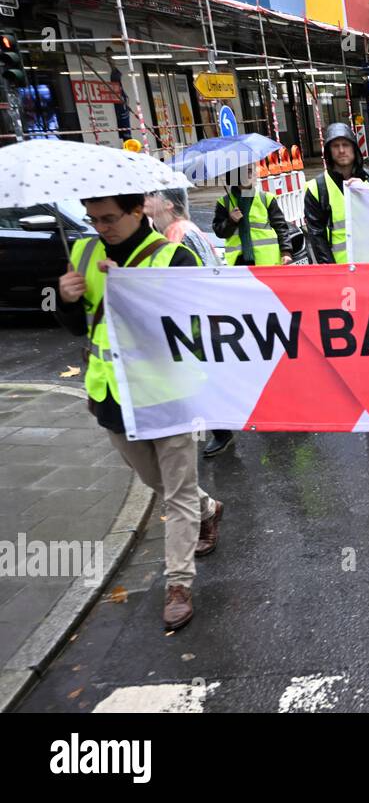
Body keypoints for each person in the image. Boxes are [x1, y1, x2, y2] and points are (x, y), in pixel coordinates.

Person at [55, 194, 221, 630]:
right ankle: (208, 510)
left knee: (178, 490)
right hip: (110, 396)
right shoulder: (84, 251)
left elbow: (197, 326)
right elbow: (79, 325)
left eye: (110, 218)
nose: (100, 227)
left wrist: (133, 292)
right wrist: (66, 300)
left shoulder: (174, 257)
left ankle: (178, 585)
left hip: (168, 396)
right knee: (158, 483)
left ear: (137, 212)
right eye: (93, 219)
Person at [145, 189, 238, 459]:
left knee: (202, 375)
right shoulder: (168, 231)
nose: (145, 200)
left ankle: (221, 430)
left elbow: (204, 272)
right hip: (189, 317)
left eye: (152, 196)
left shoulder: (180, 232)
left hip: (198, 318)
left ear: (168, 204)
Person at [304, 122, 369, 264]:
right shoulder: (316, 188)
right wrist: (332, 274)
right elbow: (317, 237)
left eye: (345, 145)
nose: (341, 150)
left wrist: (368, 193)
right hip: (343, 271)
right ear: (329, 151)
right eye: (335, 146)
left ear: (354, 148)